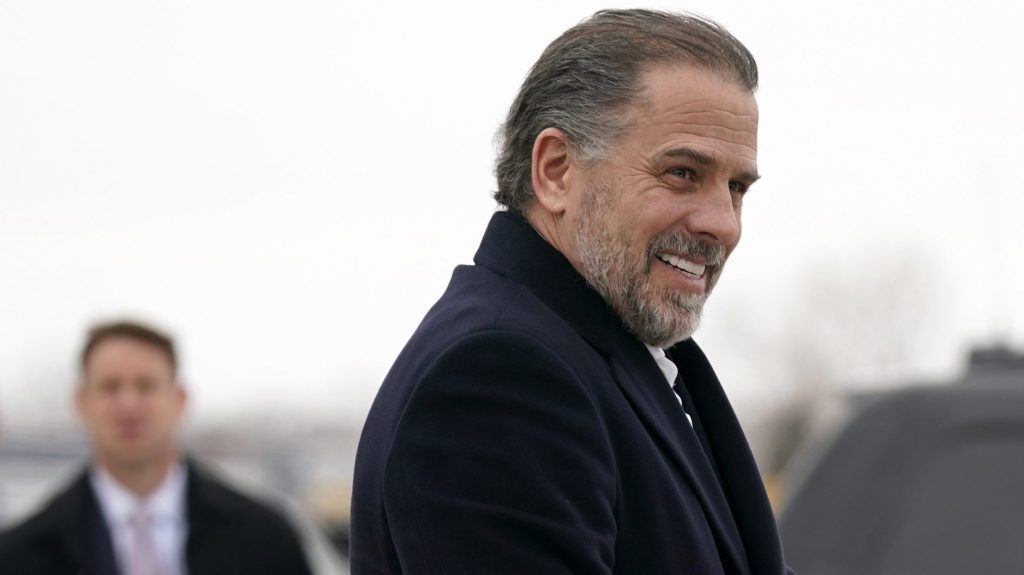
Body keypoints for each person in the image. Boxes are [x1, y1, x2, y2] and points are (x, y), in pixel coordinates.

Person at [350, 9, 796, 575]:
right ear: (556, 170)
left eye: (736, 188)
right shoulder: (498, 376)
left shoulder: (618, 355)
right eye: (682, 172)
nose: (722, 224)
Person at [0, 320, 314, 575]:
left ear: (180, 400)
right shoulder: (22, 555)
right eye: (110, 387)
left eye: (146, 385)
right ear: (81, 403)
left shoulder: (264, 538)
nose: (128, 404)